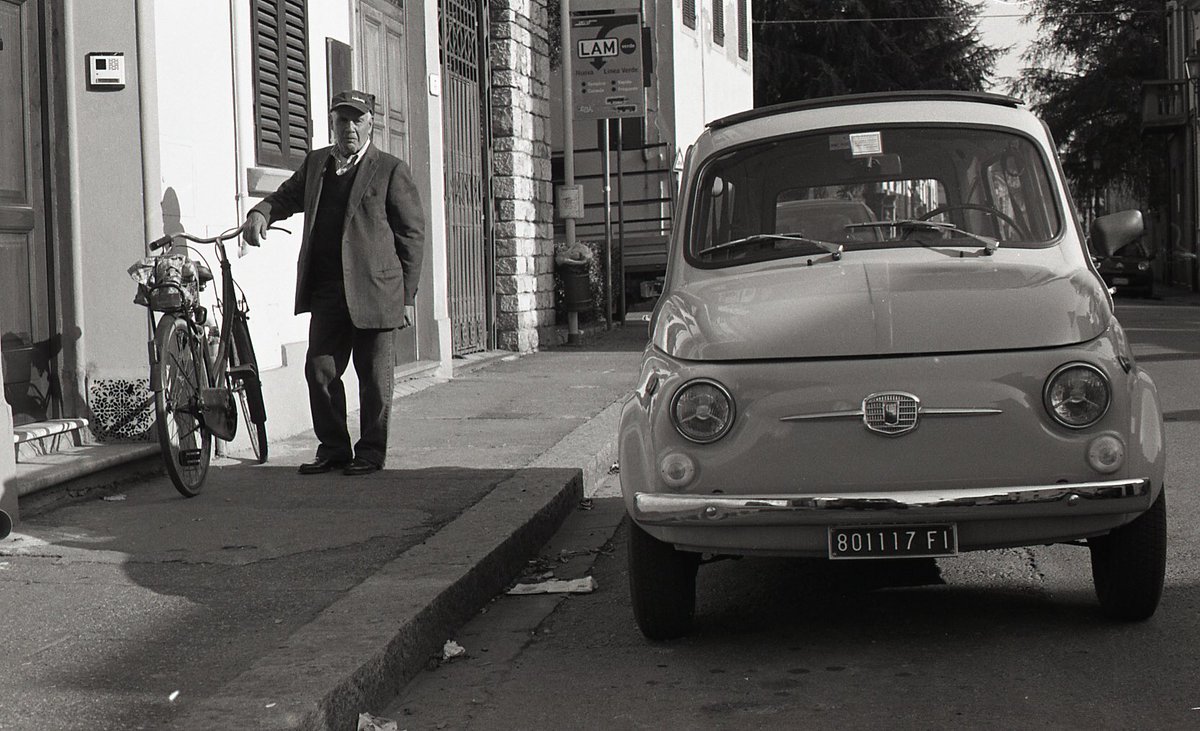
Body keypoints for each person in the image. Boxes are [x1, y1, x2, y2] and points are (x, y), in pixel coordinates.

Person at [242, 89, 425, 476]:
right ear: (332, 123)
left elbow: (411, 235)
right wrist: (261, 213)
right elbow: (285, 197)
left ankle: (371, 452)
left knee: (374, 379)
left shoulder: (390, 169)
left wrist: (407, 296)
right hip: (328, 289)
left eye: (358, 120)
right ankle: (334, 448)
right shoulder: (317, 164)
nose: (350, 128)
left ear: (371, 123)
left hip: (376, 290)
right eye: (342, 120)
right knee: (320, 370)